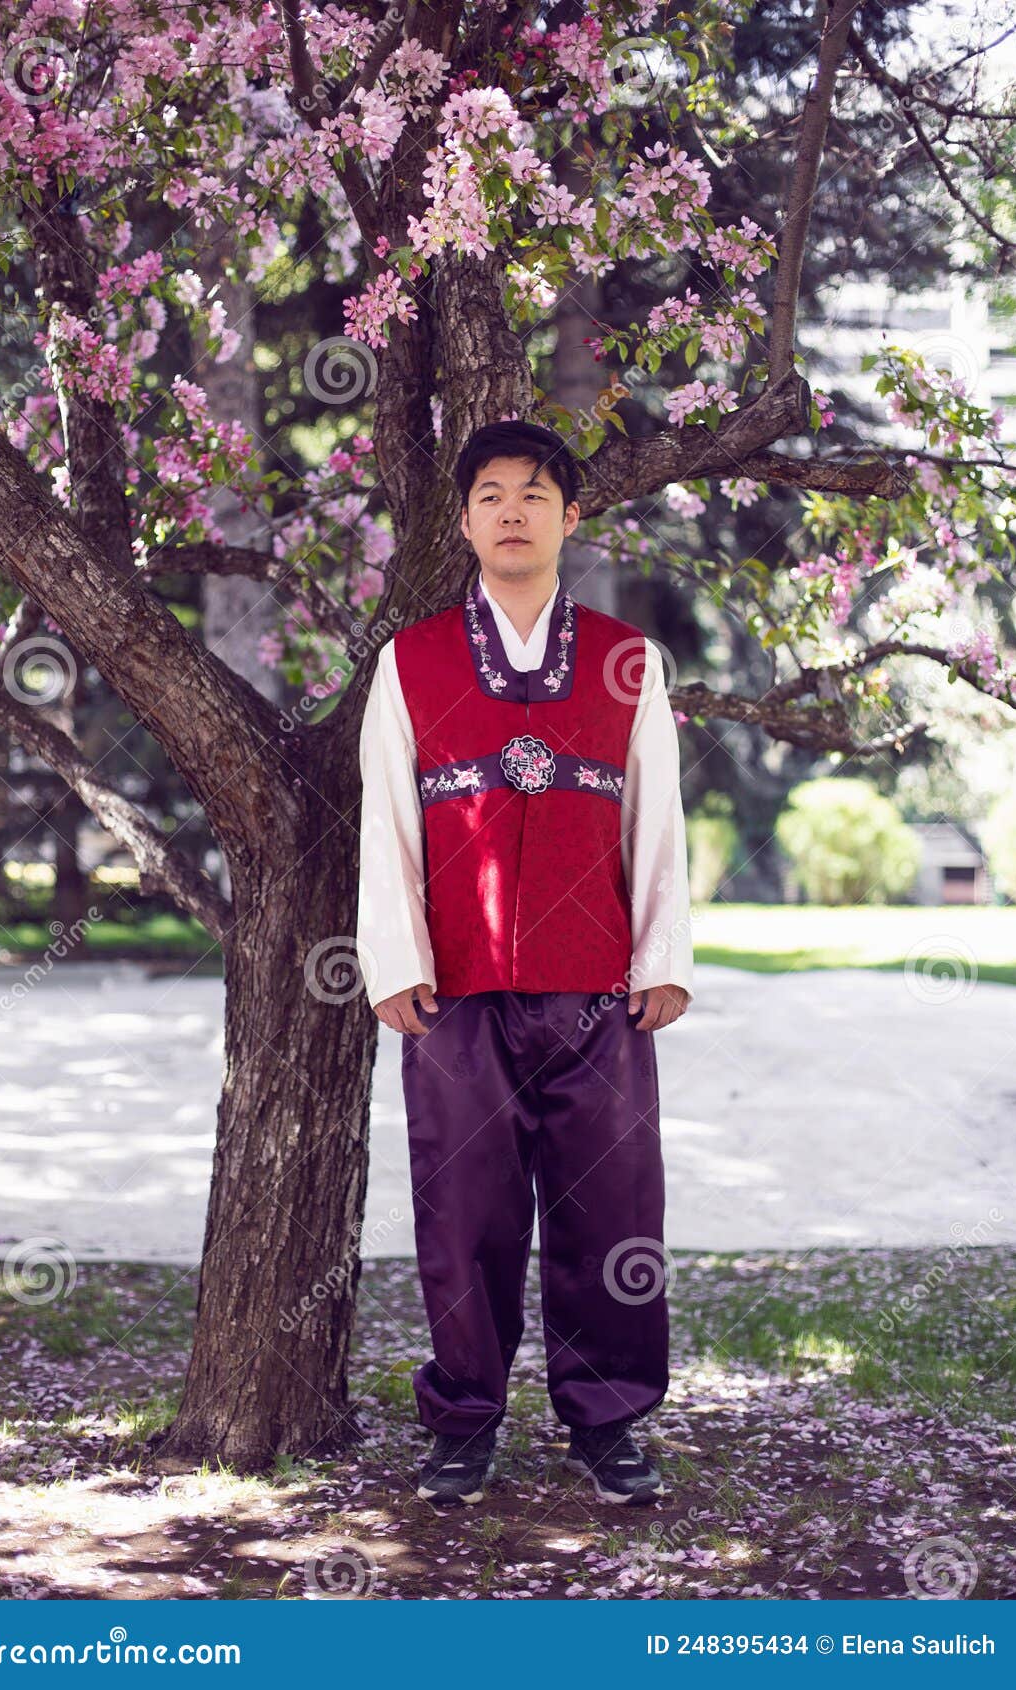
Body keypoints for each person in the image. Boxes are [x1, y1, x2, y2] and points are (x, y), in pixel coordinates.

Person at [357, 420, 694, 1508]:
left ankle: (608, 1421)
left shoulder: (622, 659)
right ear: (461, 520)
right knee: (465, 1217)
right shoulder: (408, 662)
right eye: (491, 494)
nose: (512, 510)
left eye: (534, 495)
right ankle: (463, 1420)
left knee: (610, 1212)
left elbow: (656, 818)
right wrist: (394, 960)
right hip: (454, 995)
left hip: (596, 988)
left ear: (569, 517)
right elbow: (387, 828)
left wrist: (662, 955)